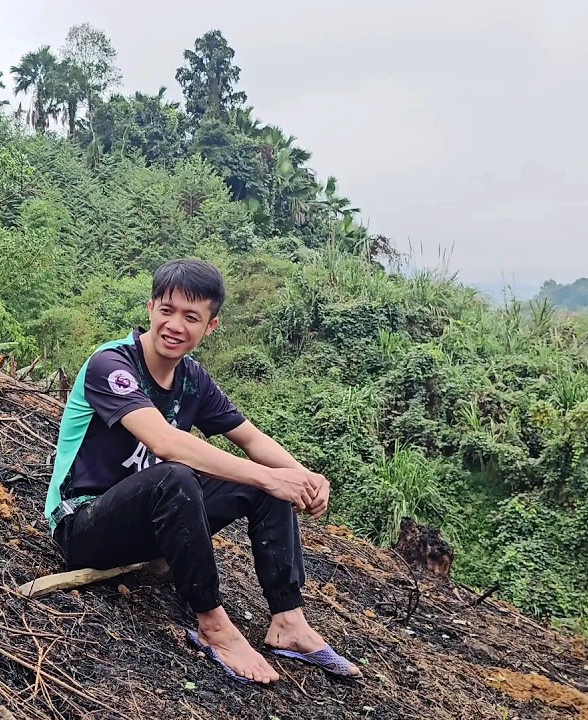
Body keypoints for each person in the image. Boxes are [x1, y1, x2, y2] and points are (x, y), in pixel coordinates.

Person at [43, 258, 360, 684]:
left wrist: (304, 477)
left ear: (210, 326)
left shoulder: (193, 380)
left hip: (149, 528)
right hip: (84, 525)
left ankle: (289, 621)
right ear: (151, 307)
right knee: (180, 475)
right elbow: (166, 443)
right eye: (167, 310)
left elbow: (250, 439)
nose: (175, 325)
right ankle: (212, 624)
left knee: (265, 486)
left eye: (191, 317)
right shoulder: (111, 365)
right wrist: (267, 474)